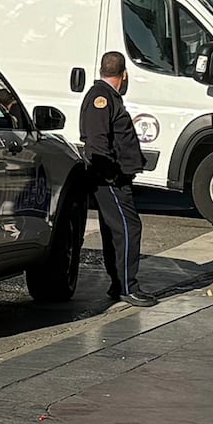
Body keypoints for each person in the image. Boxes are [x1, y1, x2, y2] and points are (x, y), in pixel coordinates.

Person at [78, 51, 157, 308]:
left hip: (112, 178)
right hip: (109, 180)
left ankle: (118, 283)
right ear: (124, 75)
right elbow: (97, 143)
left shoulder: (107, 97)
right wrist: (112, 175)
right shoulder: (101, 98)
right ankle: (127, 286)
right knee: (127, 229)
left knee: (116, 231)